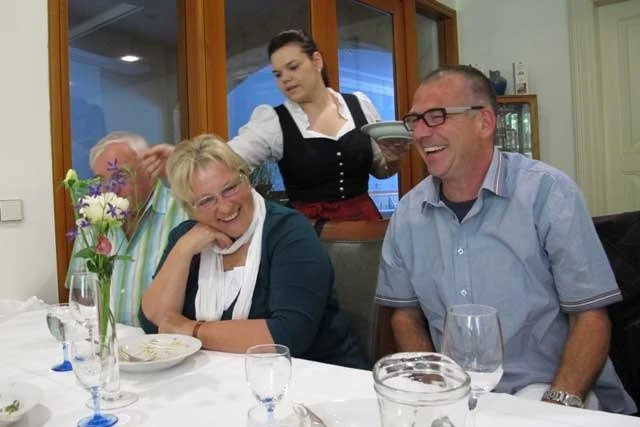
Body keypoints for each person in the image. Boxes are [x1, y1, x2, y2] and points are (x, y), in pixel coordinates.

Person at [374, 65, 636, 413]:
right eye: (414, 120)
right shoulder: (408, 214)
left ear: (484, 122)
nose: (420, 133)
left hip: (554, 392)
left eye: (436, 117)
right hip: (461, 401)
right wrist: (435, 390)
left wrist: (555, 407)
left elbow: (590, 316)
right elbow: (404, 315)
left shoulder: (548, 194)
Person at [139, 134, 368, 369]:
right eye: (206, 201)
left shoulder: (288, 231)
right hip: (225, 378)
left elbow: (289, 335)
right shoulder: (186, 237)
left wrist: (190, 330)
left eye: (230, 189)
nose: (224, 207)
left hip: (317, 375)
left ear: (246, 178)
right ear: (190, 209)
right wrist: (183, 250)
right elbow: (153, 323)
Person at [141, 29, 408, 222]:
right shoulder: (273, 122)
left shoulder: (359, 104)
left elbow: (381, 170)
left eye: (293, 67)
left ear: (316, 61)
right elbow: (227, 160)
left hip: (365, 225)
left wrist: (393, 158)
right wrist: (180, 158)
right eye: (278, 74)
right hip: (309, 233)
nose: (286, 79)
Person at [67, 131, 189, 326]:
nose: (112, 189)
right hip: (108, 340)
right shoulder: (93, 220)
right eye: (102, 181)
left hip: (165, 340)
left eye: (120, 176)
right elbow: (80, 292)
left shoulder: (185, 212)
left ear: (150, 170)